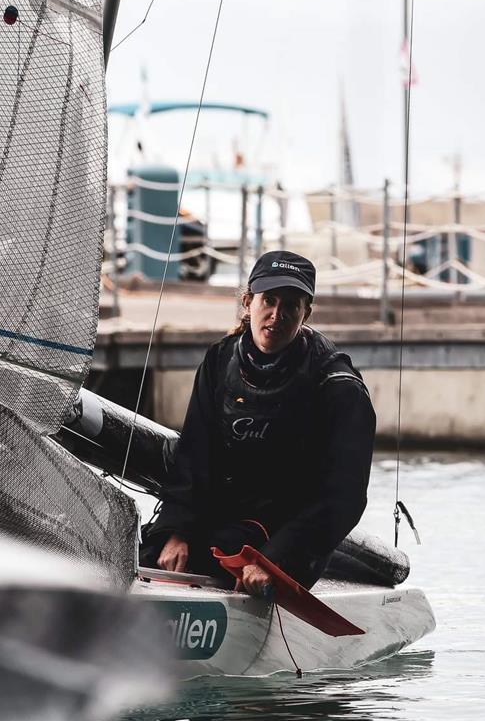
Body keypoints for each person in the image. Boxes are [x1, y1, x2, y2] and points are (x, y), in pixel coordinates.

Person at [140, 250, 376, 596]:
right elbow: (193, 456)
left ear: (306, 313)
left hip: (289, 534)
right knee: (143, 553)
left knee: (213, 556)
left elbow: (343, 497)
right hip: (221, 515)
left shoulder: (338, 386)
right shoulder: (219, 359)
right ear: (248, 302)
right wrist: (175, 532)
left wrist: (276, 559)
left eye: (291, 305)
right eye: (269, 300)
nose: (277, 315)